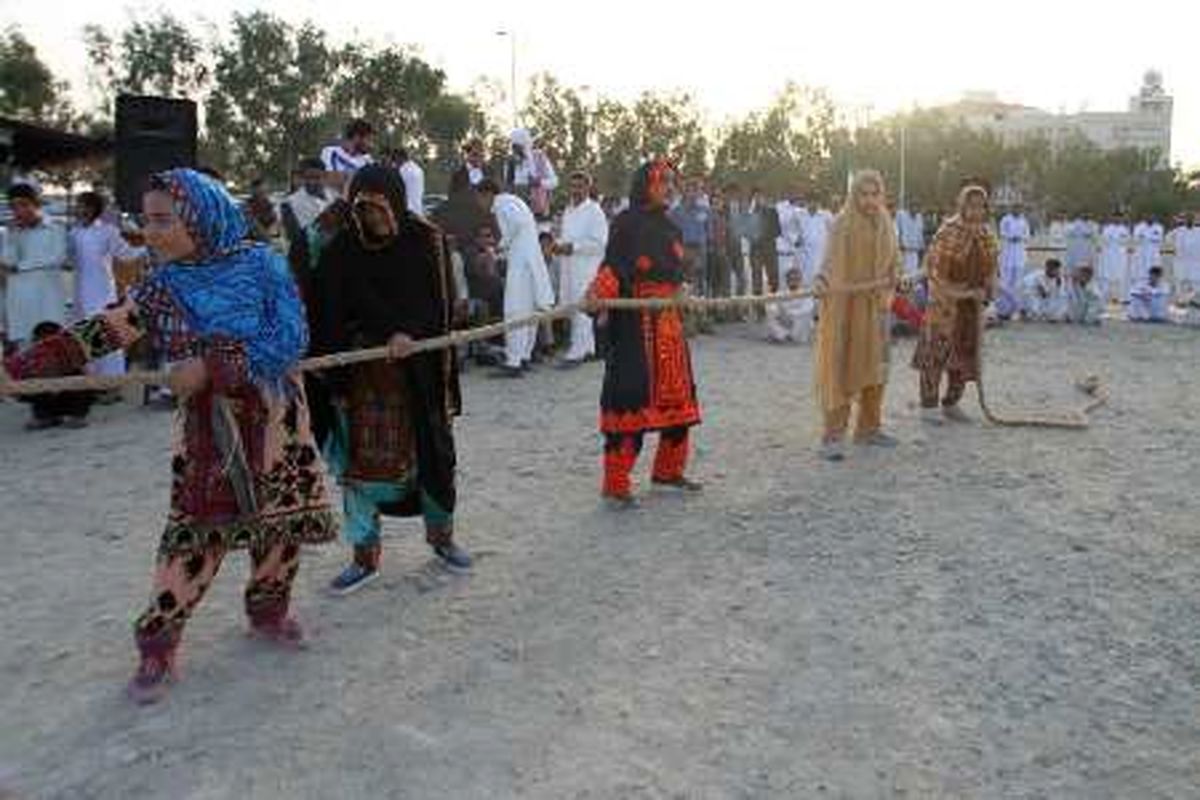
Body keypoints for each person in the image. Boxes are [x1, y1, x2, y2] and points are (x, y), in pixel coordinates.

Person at [2, 168, 335, 703]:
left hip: (278, 424)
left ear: (201, 218)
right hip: (207, 433)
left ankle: (269, 612)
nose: (150, 232)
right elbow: (104, 329)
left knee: (282, 527)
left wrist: (212, 364)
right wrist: (22, 369)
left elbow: (291, 335)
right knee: (193, 536)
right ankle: (157, 644)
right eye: (145, 220)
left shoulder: (263, 265)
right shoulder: (162, 285)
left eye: (163, 220)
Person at [307, 165, 470, 593]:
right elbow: (325, 300)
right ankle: (364, 554)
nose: (372, 219)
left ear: (397, 204)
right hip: (360, 378)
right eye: (363, 210)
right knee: (358, 466)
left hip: (418, 373)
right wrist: (368, 338)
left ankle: (442, 538)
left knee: (433, 457)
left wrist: (410, 335)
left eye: (380, 209)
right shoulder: (340, 245)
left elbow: (440, 306)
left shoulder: (425, 240)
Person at [586, 159, 702, 504]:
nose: (669, 186)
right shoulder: (626, 224)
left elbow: (678, 273)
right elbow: (614, 267)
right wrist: (597, 294)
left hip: (669, 326)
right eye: (661, 180)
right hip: (635, 325)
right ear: (645, 185)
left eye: (671, 181)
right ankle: (616, 484)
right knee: (631, 397)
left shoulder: (672, 227)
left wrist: (684, 291)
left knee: (679, 399)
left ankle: (668, 471)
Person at [812, 170, 901, 460]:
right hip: (847, 309)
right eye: (863, 194)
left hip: (876, 308)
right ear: (854, 195)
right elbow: (829, 261)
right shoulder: (842, 223)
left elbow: (893, 260)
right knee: (843, 368)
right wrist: (823, 281)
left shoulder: (886, 222)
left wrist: (895, 276)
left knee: (877, 367)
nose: (869, 200)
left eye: (875, 194)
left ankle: (869, 429)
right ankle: (833, 435)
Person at [912, 184, 998, 426]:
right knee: (936, 356)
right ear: (962, 206)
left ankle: (951, 403)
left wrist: (989, 288)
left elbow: (992, 269)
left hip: (971, 309)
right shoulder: (947, 232)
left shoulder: (986, 235)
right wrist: (964, 294)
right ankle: (928, 407)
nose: (976, 211)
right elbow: (936, 274)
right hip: (945, 305)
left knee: (964, 357)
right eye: (971, 205)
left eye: (981, 206)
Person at [475, 179, 555, 375]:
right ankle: (523, 357)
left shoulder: (502, 204)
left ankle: (514, 362)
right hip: (527, 262)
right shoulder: (512, 201)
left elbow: (517, 225)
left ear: (486, 194)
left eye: (479, 198)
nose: (479, 203)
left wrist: (501, 245)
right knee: (527, 312)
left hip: (521, 265)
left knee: (514, 311)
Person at [68, 191, 146, 378]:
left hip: (102, 291)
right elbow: (68, 259)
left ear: (94, 209)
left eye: (84, 205)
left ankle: (111, 381)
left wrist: (148, 248)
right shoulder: (73, 233)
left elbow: (126, 254)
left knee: (105, 332)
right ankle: (92, 380)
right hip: (80, 291)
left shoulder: (107, 231)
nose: (80, 210)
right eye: (78, 205)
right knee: (84, 334)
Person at [2, 183, 68, 348]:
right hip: (19, 303)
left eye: (24, 204)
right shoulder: (9, 233)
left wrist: (20, 267)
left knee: (52, 352)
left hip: (47, 302)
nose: (19, 211)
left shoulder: (55, 228)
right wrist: (12, 236)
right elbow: (7, 262)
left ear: (36, 204)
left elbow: (56, 257)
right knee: (25, 356)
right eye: (14, 206)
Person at [555, 171, 609, 365]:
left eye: (580, 186)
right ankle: (588, 348)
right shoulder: (568, 210)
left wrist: (574, 247)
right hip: (569, 265)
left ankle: (577, 352)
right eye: (573, 186)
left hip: (587, 267)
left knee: (583, 306)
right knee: (572, 305)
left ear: (588, 188)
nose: (576, 190)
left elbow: (601, 243)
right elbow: (567, 237)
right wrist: (558, 245)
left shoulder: (595, 211)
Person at [11, 320, 96, 429]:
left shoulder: (71, 352)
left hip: (69, 396)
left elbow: (88, 381)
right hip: (48, 396)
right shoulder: (32, 358)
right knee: (33, 384)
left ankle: (77, 416)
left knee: (80, 380)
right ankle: (45, 417)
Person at [281, 157, 337, 245]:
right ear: (302, 177)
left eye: (317, 177)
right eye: (308, 178)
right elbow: (293, 237)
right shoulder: (289, 204)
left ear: (325, 176)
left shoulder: (335, 197)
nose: (312, 182)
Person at [506, 128, 558, 218]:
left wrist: (539, 183)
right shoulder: (510, 163)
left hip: (538, 211)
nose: (515, 150)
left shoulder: (539, 158)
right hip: (517, 211)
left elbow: (554, 182)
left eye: (518, 147)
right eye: (513, 147)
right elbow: (508, 186)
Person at [996, 205, 1030, 319]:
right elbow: (1002, 233)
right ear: (1011, 209)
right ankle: (1003, 309)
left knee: (1018, 283)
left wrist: (1019, 237)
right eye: (1015, 209)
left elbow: (1027, 234)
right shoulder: (1005, 219)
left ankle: (1017, 309)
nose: (1017, 211)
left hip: (1019, 254)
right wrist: (1011, 237)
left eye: (1019, 209)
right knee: (1005, 282)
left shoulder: (1024, 221)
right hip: (1008, 253)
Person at [767, 269, 814, 344]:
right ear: (787, 280)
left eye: (796, 279)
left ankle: (794, 337)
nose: (793, 281)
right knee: (770, 311)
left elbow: (808, 308)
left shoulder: (806, 293)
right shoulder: (781, 293)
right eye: (791, 279)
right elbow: (774, 305)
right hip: (785, 321)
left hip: (799, 323)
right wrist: (773, 308)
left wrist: (791, 313)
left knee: (804, 317)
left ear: (800, 280)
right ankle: (782, 335)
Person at [1097, 215, 1131, 303]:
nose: (1117, 219)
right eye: (1116, 217)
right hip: (1109, 256)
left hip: (1121, 257)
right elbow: (1102, 243)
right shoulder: (1107, 229)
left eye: (1119, 218)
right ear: (1112, 218)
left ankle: (1121, 298)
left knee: (1121, 277)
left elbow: (1128, 244)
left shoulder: (1125, 230)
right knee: (1107, 277)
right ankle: (1105, 297)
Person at [1168, 213, 1200, 288]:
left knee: (1195, 281)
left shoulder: (1198, 231)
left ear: (1194, 221)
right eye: (1187, 219)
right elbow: (1168, 238)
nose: (1189, 221)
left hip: (1195, 260)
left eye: (1191, 220)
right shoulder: (1178, 230)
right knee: (1181, 280)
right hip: (1181, 260)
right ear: (1185, 221)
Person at [1131, 215, 1164, 286]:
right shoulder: (1138, 227)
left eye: (1152, 216)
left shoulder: (1159, 228)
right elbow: (1137, 239)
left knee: (1154, 273)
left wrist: (1146, 237)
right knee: (1141, 274)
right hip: (1142, 254)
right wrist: (1148, 238)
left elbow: (1159, 239)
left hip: (1153, 255)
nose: (1150, 218)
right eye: (1148, 216)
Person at [896, 204, 925, 279]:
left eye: (917, 207)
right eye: (913, 206)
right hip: (904, 249)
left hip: (915, 249)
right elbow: (897, 230)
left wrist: (922, 246)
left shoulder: (919, 217)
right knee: (903, 272)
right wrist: (899, 242)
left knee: (913, 273)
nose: (915, 209)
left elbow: (920, 232)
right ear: (909, 207)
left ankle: (912, 288)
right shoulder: (901, 215)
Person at [394, 148, 425, 217]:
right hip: (418, 210)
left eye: (396, 159)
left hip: (406, 211)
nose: (395, 162)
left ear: (400, 157)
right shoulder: (419, 170)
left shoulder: (401, 171)